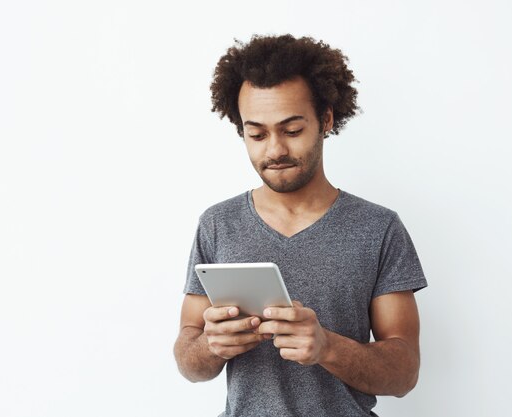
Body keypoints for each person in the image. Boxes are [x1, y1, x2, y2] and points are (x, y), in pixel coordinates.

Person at [173, 34, 428, 417]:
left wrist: (327, 347)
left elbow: (404, 372)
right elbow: (187, 357)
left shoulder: (379, 228)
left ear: (325, 119)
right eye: (256, 133)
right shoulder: (217, 224)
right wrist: (211, 345)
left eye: (292, 130)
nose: (274, 150)